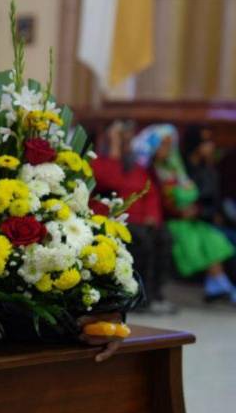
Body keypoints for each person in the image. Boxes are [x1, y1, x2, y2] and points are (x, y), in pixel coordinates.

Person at [132, 124, 236, 303]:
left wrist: (194, 210)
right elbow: (157, 198)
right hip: (169, 219)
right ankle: (219, 284)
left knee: (210, 237)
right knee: (193, 238)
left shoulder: (174, 167)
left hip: (189, 218)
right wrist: (180, 212)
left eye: (170, 144)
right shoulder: (148, 168)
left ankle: (218, 284)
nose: (167, 149)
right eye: (163, 144)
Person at [92, 121, 176, 314]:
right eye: (121, 138)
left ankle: (155, 294)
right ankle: (137, 296)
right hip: (114, 220)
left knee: (164, 237)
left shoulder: (137, 167)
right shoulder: (98, 162)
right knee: (141, 240)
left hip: (141, 220)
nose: (126, 143)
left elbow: (151, 193)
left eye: (127, 139)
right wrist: (113, 148)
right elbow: (109, 180)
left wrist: (153, 216)